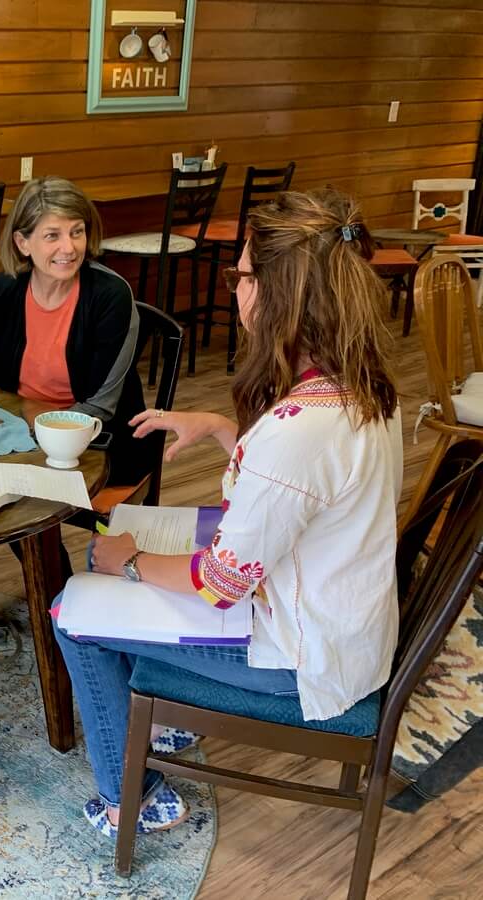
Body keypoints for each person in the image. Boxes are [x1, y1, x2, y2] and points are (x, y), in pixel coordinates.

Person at [53, 189, 402, 836]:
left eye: (240, 274)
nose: (236, 286)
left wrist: (129, 563)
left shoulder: (296, 434)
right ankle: (168, 711)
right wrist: (219, 426)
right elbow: (303, 490)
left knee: (73, 609)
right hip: (340, 624)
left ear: (276, 293)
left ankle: (130, 795)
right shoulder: (364, 386)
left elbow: (220, 583)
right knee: (131, 548)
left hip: (302, 659)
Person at [0, 175, 150, 485]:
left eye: (77, 232)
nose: (68, 248)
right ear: (22, 243)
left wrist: (34, 433)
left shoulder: (110, 297)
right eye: (52, 235)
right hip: (18, 433)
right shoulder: (2, 293)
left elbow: (100, 406)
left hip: (92, 445)